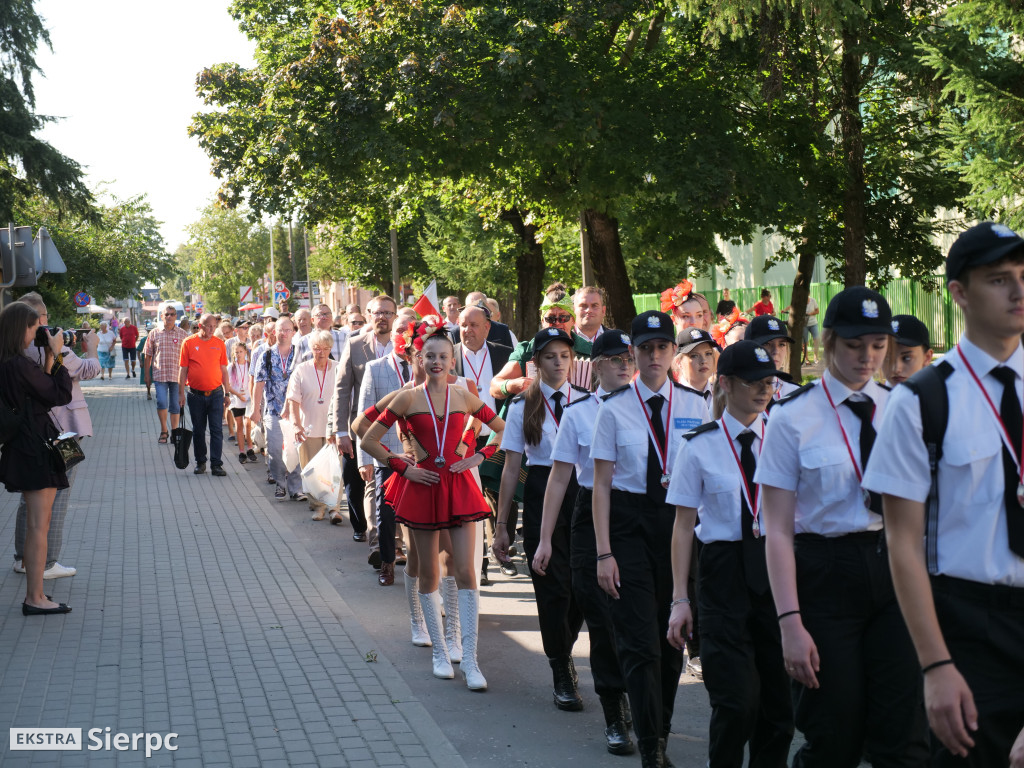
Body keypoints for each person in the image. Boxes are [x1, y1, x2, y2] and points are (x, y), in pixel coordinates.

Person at [864, 222, 1024, 768]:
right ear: (959, 292)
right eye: (1000, 279)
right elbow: (903, 544)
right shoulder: (923, 401)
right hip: (970, 630)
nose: (1018, 292)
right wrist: (935, 667)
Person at [755, 287, 928, 767]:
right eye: (854, 345)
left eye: (877, 345)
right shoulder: (791, 418)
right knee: (835, 736)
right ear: (829, 342)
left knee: (904, 737)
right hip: (824, 576)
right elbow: (779, 531)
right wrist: (790, 622)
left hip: (895, 567)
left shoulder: (901, 407)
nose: (867, 357)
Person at [666, 341, 795, 768]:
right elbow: (684, 527)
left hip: (774, 570)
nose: (764, 390)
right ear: (725, 384)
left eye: (769, 382)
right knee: (737, 702)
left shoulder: (781, 438)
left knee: (779, 709)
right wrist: (680, 600)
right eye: (753, 382)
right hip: (722, 574)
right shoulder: (698, 445)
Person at [591, 310, 709, 767]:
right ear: (633, 354)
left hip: (679, 526)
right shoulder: (615, 408)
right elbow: (600, 485)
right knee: (639, 641)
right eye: (645, 349)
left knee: (670, 640)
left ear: (671, 353)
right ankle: (652, 749)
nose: (654, 356)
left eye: (662, 347)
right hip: (627, 525)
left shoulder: (696, 406)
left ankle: (659, 729)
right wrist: (603, 551)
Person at [359, 330, 504, 691]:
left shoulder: (465, 397)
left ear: (452, 362)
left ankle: (469, 659)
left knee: (466, 571)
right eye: (430, 357)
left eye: (443, 356)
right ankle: (440, 652)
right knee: (428, 573)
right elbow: (367, 437)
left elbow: (502, 430)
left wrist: (477, 456)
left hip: (459, 489)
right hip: (423, 488)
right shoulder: (406, 398)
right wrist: (402, 465)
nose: (436, 362)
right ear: (420, 361)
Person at [532, 329, 636, 754]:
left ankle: (644, 706)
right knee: (601, 619)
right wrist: (542, 540)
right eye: (613, 358)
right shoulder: (578, 413)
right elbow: (559, 478)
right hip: (587, 518)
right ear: (595, 366)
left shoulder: (652, 410)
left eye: (628, 356)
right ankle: (615, 710)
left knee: (636, 623)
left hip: (635, 519)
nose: (624, 363)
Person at [494, 328, 589, 710]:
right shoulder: (522, 406)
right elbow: (511, 468)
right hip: (540, 488)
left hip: (580, 494)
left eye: (565, 355)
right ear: (536, 363)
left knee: (580, 586)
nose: (559, 363)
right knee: (552, 584)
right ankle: (561, 668)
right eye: (550, 357)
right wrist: (502, 524)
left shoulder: (587, 402)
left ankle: (561, 649)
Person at [11, 292, 99, 581]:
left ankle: (23, 559)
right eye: (44, 319)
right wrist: (91, 348)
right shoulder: (44, 348)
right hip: (60, 430)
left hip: (34, 431)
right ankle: (47, 562)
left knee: (30, 502)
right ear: (36, 321)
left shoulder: (15, 354)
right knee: (58, 497)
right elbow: (83, 373)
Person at [0, 301, 73, 615]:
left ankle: (36, 595)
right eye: (34, 328)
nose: (37, 334)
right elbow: (59, 394)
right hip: (35, 446)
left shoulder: (7, 363)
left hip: (22, 445)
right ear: (22, 328)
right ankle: (36, 598)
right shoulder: (19, 364)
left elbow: (40, 392)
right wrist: (55, 355)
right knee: (39, 527)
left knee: (35, 525)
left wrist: (46, 357)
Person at [328, 295, 398, 547]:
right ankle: (377, 543)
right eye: (377, 313)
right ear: (369, 316)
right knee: (369, 484)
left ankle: (393, 543)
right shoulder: (356, 345)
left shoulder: (405, 345)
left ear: (395, 316)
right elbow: (342, 390)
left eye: (388, 313)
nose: (382, 317)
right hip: (365, 429)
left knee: (395, 486)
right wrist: (340, 432)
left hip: (400, 430)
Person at [453, 304, 514, 582]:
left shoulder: (504, 354)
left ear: (487, 327)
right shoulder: (449, 355)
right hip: (463, 438)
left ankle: (503, 550)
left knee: (502, 494)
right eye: (463, 325)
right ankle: (481, 563)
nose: (468, 330)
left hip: (498, 432)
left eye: (474, 325)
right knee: (472, 499)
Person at [356, 321, 415, 584]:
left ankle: (418, 567)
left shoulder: (424, 366)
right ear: (392, 336)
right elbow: (364, 418)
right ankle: (387, 562)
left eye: (409, 330)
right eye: (399, 330)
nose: (404, 335)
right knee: (386, 514)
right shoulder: (375, 368)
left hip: (419, 456)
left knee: (417, 515)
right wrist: (366, 459)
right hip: (387, 455)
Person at [287, 329, 340, 521]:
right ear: (311, 349)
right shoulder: (302, 370)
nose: (321, 352)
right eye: (317, 348)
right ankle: (318, 506)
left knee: (335, 469)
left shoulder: (338, 368)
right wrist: (296, 424)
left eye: (326, 348)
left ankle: (334, 507)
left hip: (333, 428)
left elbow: (344, 398)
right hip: (309, 428)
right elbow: (293, 399)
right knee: (311, 469)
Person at [178, 314, 239, 477]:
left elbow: (224, 371)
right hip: (195, 395)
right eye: (208, 326)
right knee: (198, 430)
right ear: (200, 325)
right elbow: (183, 370)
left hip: (216, 394)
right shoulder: (189, 342)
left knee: (216, 430)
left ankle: (216, 464)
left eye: (214, 326)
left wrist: (227, 393)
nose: (211, 329)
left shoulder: (219, 344)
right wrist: (180, 394)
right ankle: (200, 462)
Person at [253, 315, 304, 499]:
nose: (283, 333)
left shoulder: (300, 353)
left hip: (296, 412)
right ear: (274, 333)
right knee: (274, 449)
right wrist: (255, 410)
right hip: (273, 410)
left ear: (293, 332)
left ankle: (295, 488)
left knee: (295, 449)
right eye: (280, 330)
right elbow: (258, 384)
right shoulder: (266, 355)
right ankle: (280, 483)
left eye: (287, 330)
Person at [144, 306, 189, 445]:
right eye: (166, 314)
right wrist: (147, 374)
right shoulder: (154, 333)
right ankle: (164, 430)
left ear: (176, 316)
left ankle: (174, 432)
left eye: (172, 314)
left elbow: (188, 357)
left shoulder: (183, 334)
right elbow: (148, 355)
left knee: (175, 406)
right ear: (162, 316)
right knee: (162, 402)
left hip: (177, 376)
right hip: (160, 374)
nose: (169, 317)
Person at [745, 314, 801, 403]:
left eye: (781, 344)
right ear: (747, 347)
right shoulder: (735, 392)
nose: (776, 351)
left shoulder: (796, 393)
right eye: (766, 344)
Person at [882, 314, 933, 387]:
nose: (896, 369)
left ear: (927, 357)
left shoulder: (941, 396)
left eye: (906, 358)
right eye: (888, 358)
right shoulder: (872, 397)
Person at [673, 327, 719, 406]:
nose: (704, 361)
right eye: (694, 356)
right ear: (679, 362)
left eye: (708, 354)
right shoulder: (672, 397)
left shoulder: (723, 395)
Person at [226, 342, 253, 463]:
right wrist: (238, 395)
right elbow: (227, 385)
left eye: (241, 352)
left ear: (245, 352)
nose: (239, 354)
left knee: (248, 424)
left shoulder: (249, 365)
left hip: (248, 399)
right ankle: (242, 452)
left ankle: (250, 448)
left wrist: (249, 396)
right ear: (233, 353)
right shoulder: (231, 367)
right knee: (239, 425)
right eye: (236, 352)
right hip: (236, 400)